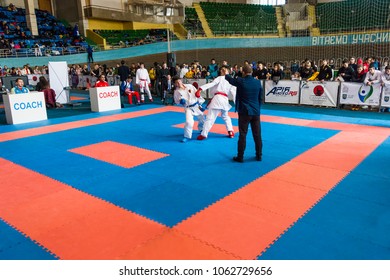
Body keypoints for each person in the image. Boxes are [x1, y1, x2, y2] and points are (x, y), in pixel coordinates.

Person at [225, 64, 263, 163]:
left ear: (243, 72)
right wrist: (257, 109)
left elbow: (230, 79)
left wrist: (226, 73)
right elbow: (260, 98)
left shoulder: (241, 81)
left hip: (244, 112)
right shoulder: (258, 82)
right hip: (256, 112)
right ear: (251, 72)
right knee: (257, 135)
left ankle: (240, 157)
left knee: (243, 134)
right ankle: (259, 155)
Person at [196, 66, 236, 140]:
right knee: (225, 116)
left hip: (218, 99)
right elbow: (234, 93)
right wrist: (236, 103)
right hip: (224, 100)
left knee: (210, 117)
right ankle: (230, 131)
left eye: (223, 70)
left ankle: (204, 134)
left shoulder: (220, 78)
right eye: (221, 70)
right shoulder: (232, 80)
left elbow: (211, 84)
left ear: (227, 71)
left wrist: (201, 89)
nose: (222, 71)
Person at [172, 76, 205, 143]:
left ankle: (201, 130)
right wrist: (180, 101)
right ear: (175, 84)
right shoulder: (176, 92)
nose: (178, 83)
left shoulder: (189, 86)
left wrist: (200, 103)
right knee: (188, 122)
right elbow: (176, 101)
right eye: (176, 83)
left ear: (181, 81)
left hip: (196, 105)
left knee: (202, 119)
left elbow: (197, 94)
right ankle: (187, 136)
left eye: (179, 81)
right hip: (188, 108)